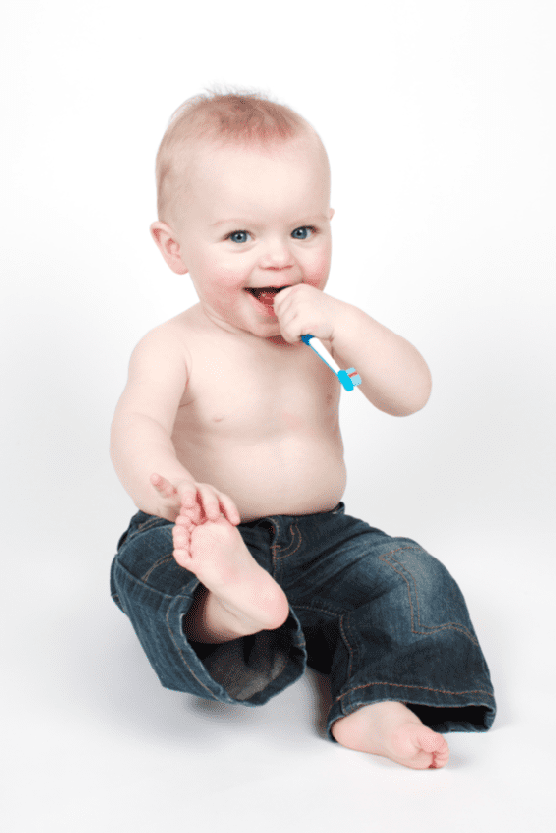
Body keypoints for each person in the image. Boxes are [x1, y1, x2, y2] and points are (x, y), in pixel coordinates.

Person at [110, 90, 496, 769]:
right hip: (207, 532)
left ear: (329, 225)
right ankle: (233, 605)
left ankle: (373, 699)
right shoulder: (173, 346)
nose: (278, 259)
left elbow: (411, 391)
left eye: (302, 231)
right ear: (175, 247)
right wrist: (175, 493)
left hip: (324, 538)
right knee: (148, 571)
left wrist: (351, 327)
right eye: (239, 236)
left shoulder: (326, 332)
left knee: (408, 573)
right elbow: (136, 426)